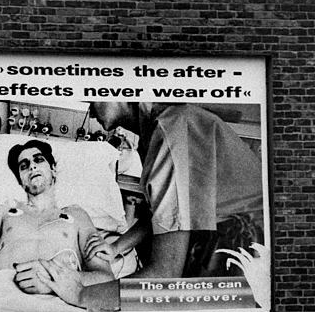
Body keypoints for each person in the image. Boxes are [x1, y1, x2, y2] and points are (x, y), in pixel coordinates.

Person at [84, 101, 263, 278]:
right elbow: (165, 215)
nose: (91, 113)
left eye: (92, 98)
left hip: (247, 250)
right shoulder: (161, 128)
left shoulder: (171, 129)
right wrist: (116, 247)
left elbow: (164, 274)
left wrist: (82, 293)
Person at [0, 140, 115, 312]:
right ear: (21, 181)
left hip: (58, 302)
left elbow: (106, 278)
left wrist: (53, 279)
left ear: (53, 170)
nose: (32, 167)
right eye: (24, 166)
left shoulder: (77, 215)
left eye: (39, 160)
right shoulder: (4, 211)